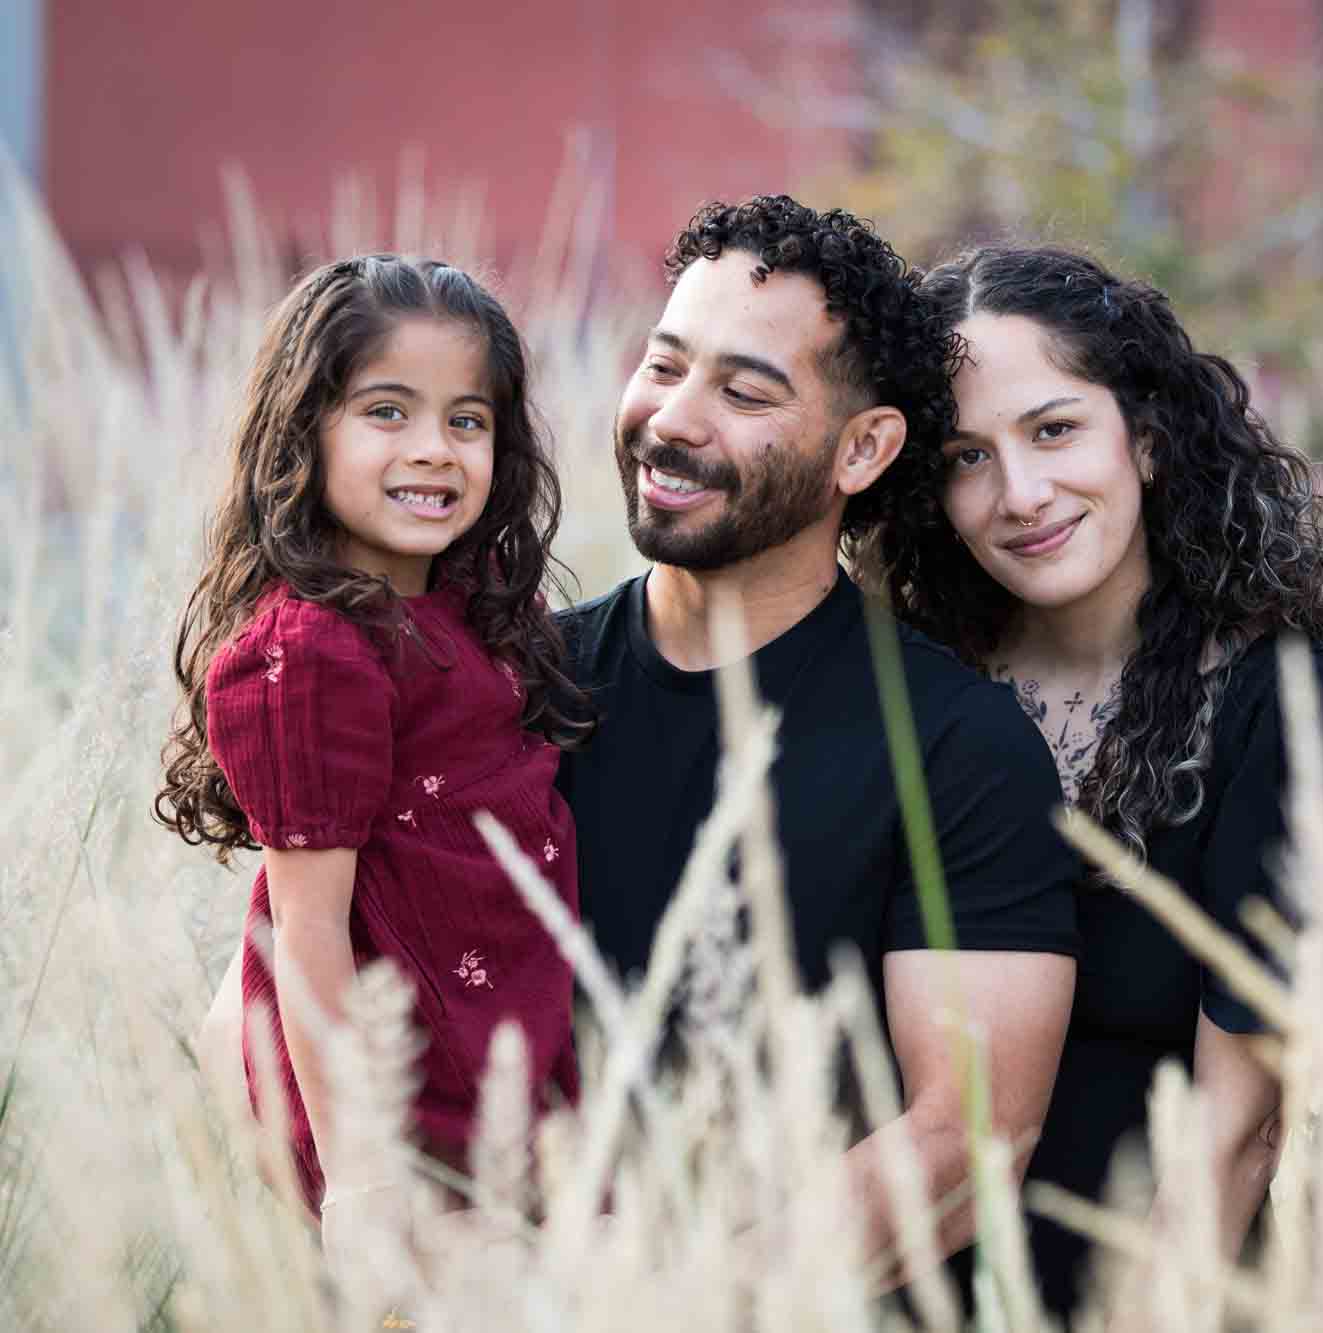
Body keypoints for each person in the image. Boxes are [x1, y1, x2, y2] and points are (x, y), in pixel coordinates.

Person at [862, 245, 1323, 1319]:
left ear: (1144, 439)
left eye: (1054, 429)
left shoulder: (1288, 715)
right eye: (966, 457)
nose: (1020, 494)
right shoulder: (905, 695)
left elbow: (1238, 1129)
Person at [554, 197, 1080, 1274]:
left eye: (744, 391)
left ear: (862, 450)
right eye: (664, 366)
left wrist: (658, 1306)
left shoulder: (955, 745)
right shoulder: (502, 684)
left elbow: (967, 1134)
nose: (675, 420)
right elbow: (287, 1002)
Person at [159, 257, 593, 1253]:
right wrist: (360, 1187)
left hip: (511, 1075)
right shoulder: (308, 654)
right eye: (387, 413)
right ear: (303, 431)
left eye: (467, 420)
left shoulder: (477, 610)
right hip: (398, 1118)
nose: (434, 450)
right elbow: (303, 938)